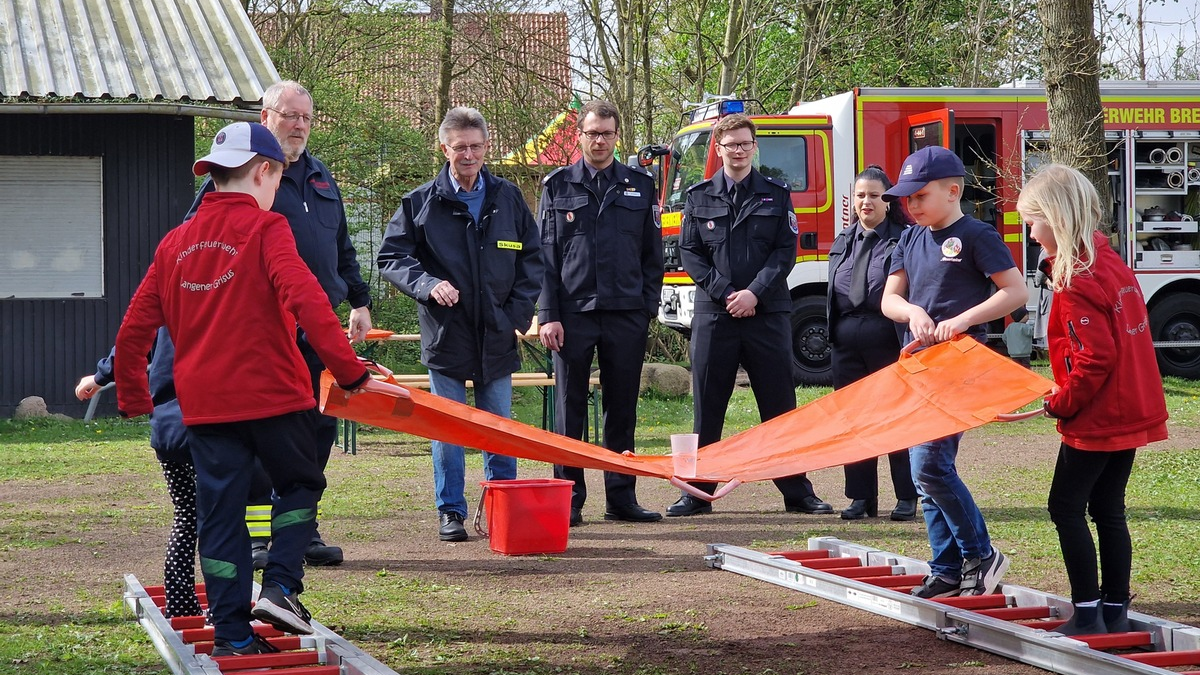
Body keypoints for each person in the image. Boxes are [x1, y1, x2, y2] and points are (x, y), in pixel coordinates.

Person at [114, 121, 378, 656]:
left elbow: (134, 331)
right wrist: (350, 372)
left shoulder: (174, 243)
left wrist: (134, 399)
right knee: (301, 483)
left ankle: (233, 636)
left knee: (221, 513)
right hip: (274, 398)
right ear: (264, 172)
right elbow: (310, 303)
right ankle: (281, 586)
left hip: (205, 408)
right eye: (277, 179)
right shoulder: (267, 229)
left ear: (213, 175)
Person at [187, 80, 372, 567]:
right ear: (265, 116)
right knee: (264, 432)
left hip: (321, 327)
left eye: (306, 118)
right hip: (268, 330)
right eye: (290, 116)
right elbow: (196, 240)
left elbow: (341, 247)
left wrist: (358, 300)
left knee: (317, 431)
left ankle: (301, 527)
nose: (299, 126)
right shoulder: (242, 173)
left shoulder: (321, 177)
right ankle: (256, 536)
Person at [377, 107, 543, 542]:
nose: (468, 155)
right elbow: (391, 258)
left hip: (498, 333)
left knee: (500, 427)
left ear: (486, 147)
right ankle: (450, 511)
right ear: (444, 148)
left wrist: (516, 317)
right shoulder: (419, 202)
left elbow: (533, 261)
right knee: (448, 430)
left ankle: (503, 502)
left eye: (475, 146)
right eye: (459, 147)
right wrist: (428, 284)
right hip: (446, 334)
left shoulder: (508, 198)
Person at [1017, 164, 1168, 634]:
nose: (1030, 231)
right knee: (1108, 509)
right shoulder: (1110, 262)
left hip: (1100, 416)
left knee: (1065, 506)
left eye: (1033, 221)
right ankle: (1114, 611)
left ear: (1057, 218)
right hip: (1130, 410)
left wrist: (1060, 402)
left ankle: (1086, 614)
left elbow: (1094, 359)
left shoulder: (1077, 277)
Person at [665, 113, 832, 518]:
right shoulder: (698, 195)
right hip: (715, 314)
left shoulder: (776, 194)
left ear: (754, 147)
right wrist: (726, 293)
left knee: (779, 406)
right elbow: (690, 253)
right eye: (730, 145)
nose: (737, 151)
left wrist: (754, 293)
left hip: (767, 312)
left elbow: (783, 253)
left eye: (744, 144)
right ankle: (698, 491)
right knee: (708, 404)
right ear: (717, 149)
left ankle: (797, 491)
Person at [880, 145, 1028, 598]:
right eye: (907, 198)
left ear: (953, 191)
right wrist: (911, 313)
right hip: (918, 367)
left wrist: (963, 320)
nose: (912, 205)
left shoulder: (977, 235)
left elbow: (1016, 292)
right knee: (924, 473)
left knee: (930, 466)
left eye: (920, 196)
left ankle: (981, 553)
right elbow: (889, 299)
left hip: (960, 366)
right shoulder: (909, 237)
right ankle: (945, 568)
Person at [538, 100, 663, 526]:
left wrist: (648, 305)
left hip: (626, 312)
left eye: (607, 133)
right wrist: (547, 312)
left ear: (616, 136)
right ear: (580, 135)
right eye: (592, 133)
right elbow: (546, 257)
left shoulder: (640, 184)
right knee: (569, 408)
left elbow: (652, 253)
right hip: (572, 314)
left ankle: (621, 497)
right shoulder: (556, 186)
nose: (600, 140)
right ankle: (568, 499)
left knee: (622, 407)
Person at [76, 329, 203, 619]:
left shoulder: (164, 309)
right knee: (218, 519)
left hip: (169, 429)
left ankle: (181, 603)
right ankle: (223, 610)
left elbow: (131, 342)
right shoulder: (216, 303)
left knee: (186, 514)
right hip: (210, 427)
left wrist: (99, 377)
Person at [826, 165, 918, 521]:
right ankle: (861, 497)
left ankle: (906, 496)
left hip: (887, 343)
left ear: (888, 200)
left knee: (894, 421)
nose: (867, 202)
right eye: (861, 195)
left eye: (875, 196)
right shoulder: (843, 241)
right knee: (854, 422)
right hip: (846, 347)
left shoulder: (904, 239)